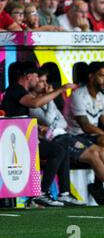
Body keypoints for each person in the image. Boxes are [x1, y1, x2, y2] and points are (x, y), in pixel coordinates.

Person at [28, 70, 104, 205]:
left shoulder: (46, 101)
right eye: (41, 81)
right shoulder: (33, 102)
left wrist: (49, 101)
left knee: (102, 150)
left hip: (65, 135)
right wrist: (50, 97)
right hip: (56, 139)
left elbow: (62, 123)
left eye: (45, 81)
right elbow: (49, 120)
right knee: (93, 154)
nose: (44, 84)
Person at [1, 64, 82, 207]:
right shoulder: (16, 89)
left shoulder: (18, 91)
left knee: (61, 149)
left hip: (22, 137)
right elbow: (34, 103)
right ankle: (40, 194)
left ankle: (63, 193)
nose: (38, 80)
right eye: (37, 76)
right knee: (57, 150)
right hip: (16, 142)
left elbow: (18, 116)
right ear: (29, 76)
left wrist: (36, 128)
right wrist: (61, 90)